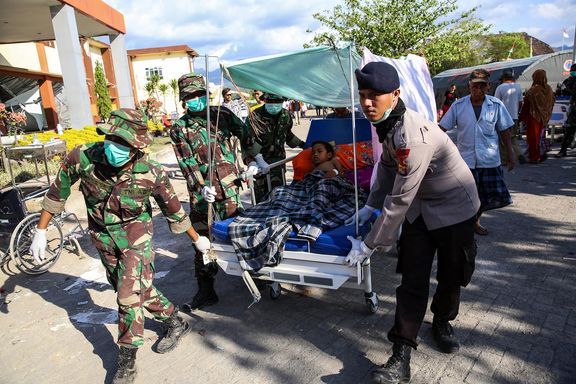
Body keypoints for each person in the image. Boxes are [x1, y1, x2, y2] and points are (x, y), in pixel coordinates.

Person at [28, 108, 210, 384]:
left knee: (127, 296)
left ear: (137, 146)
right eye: (113, 139)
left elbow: (175, 212)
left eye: (125, 143)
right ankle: (175, 320)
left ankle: (127, 362)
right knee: (137, 290)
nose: (117, 147)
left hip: (136, 237)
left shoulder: (152, 173)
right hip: (102, 237)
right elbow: (57, 193)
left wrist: (199, 242)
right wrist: (40, 231)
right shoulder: (83, 157)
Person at [343, 62, 480, 384]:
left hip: (455, 209)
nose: (366, 103)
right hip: (422, 209)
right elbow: (387, 170)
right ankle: (401, 355)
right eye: (362, 95)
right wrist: (369, 206)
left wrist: (369, 244)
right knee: (412, 280)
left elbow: (400, 199)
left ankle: (443, 321)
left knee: (451, 275)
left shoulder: (411, 136)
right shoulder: (387, 124)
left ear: (395, 95)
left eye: (374, 95)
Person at [170, 73, 250, 312]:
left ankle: (252, 275)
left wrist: (253, 160)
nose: (194, 99)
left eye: (198, 94)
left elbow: (247, 136)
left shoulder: (221, 115)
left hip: (229, 187)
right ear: (183, 100)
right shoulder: (179, 128)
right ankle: (206, 289)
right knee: (201, 240)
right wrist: (199, 186)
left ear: (205, 94)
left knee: (236, 231)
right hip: (202, 194)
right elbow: (186, 162)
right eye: (189, 96)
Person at [440, 68, 515, 236]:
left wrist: (510, 154)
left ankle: (475, 221)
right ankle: (467, 222)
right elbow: (442, 128)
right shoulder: (458, 106)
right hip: (465, 160)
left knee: (484, 197)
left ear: (488, 87)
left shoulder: (496, 105)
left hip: (489, 160)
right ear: (469, 86)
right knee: (465, 196)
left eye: (482, 86)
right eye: (475, 86)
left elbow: (504, 131)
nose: (478, 90)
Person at [243, 92, 305, 203]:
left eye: (277, 102)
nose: (274, 104)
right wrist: (253, 161)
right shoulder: (255, 116)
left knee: (279, 195)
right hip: (260, 163)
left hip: (278, 162)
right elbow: (247, 140)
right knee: (261, 199)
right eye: (270, 102)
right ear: (265, 101)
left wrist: (302, 145)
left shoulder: (285, 115)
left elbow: (287, 134)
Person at [519, 69, 555, 163]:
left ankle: (535, 157)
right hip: (545, 117)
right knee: (540, 137)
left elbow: (526, 107)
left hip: (533, 117)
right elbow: (552, 102)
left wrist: (520, 118)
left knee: (533, 138)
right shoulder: (549, 89)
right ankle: (537, 155)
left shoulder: (533, 90)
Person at [494, 70, 526, 164]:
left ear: (503, 77)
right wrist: (516, 111)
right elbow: (520, 103)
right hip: (514, 117)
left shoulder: (500, 87)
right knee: (513, 137)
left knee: (503, 139)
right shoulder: (518, 87)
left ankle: (504, 160)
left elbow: (496, 103)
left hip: (502, 118)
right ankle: (520, 154)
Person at [555, 63, 576, 157]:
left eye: (574, 71)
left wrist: (568, 90)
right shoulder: (568, 80)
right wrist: (561, 89)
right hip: (573, 110)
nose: (572, 73)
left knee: (569, 130)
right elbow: (560, 92)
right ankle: (563, 151)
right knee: (569, 131)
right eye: (571, 71)